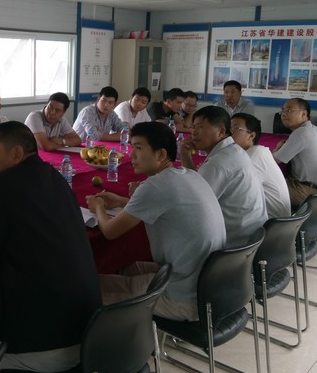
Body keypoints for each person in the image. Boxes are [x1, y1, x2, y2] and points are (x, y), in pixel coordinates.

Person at [0, 121, 101, 373]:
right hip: (88, 332)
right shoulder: (53, 175)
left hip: (41, 343)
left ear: (16, 153)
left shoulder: (1, 185)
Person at [85, 122, 226, 321]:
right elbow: (165, 207)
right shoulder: (187, 175)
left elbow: (109, 231)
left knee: (89, 293)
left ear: (161, 154)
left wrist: (98, 207)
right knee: (124, 270)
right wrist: (123, 201)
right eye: (132, 147)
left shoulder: (156, 185)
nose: (132, 155)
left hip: (183, 299)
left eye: (139, 148)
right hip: (206, 286)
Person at [180, 106, 267, 245]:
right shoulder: (233, 150)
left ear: (221, 131)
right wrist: (185, 155)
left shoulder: (220, 162)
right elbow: (197, 185)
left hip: (235, 242)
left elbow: (193, 204)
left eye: (200, 127)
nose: (194, 132)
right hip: (251, 234)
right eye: (193, 127)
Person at [231, 113, 291, 219]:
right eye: (229, 128)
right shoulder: (257, 151)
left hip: (271, 222)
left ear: (251, 136)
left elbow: (232, 189)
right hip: (270, 218)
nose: (229, 132)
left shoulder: (253, 157)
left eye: (235, 128)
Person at [273, 98, 317, 207]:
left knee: (259, 187)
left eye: (289, 110)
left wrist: (276, 150)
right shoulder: (313, 128)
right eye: (282, 110)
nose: (283, 114)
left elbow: (275, 160)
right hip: (315, 187)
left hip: (306, 191)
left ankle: (274, 218)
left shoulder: (302, 132)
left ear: (304, 114)